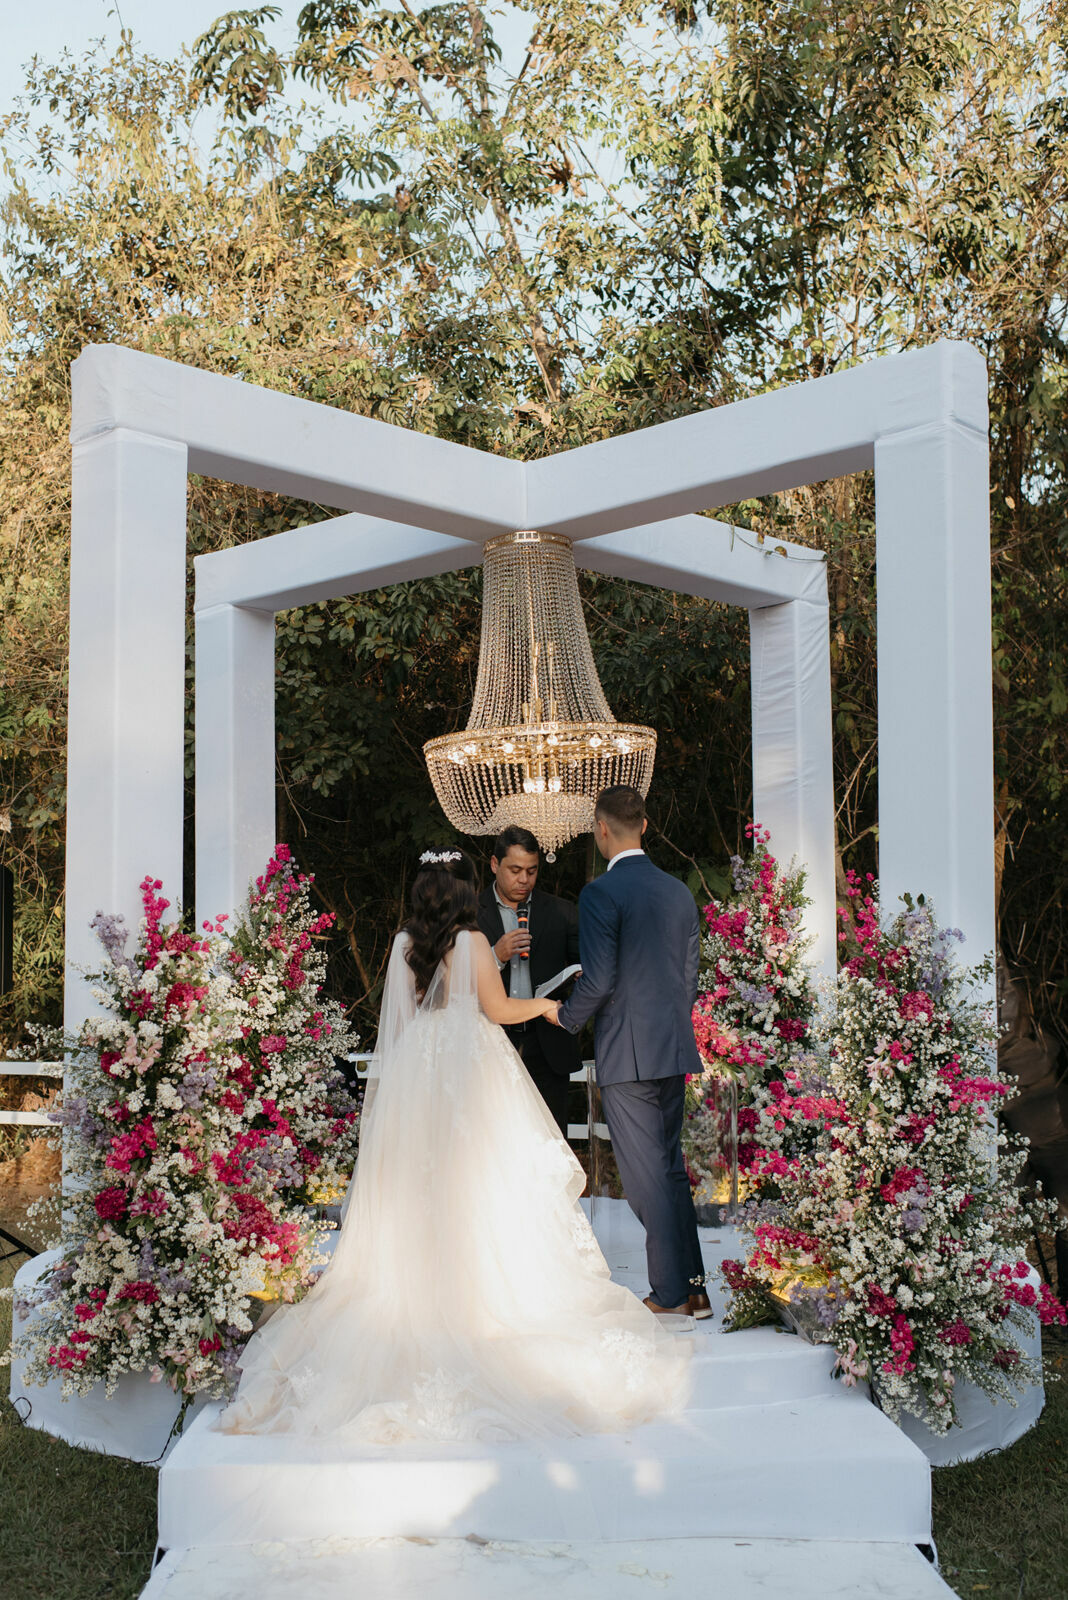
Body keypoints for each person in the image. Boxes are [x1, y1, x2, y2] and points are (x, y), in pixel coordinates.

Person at [217, 847, 690, 1444]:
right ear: (466, 893)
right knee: (489, 1180)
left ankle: (419, 1289)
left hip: (419, 1074)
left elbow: (401, 1022)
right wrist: (546, 1003)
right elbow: (497, 1009)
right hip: (470, 1069)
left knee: (425, 1183)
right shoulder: (470, 942)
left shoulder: (400, 945)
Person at [552, 786, 711, 1319]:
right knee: (668, 1172)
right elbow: (688, 979)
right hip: (672, 1044)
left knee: (647, 1182)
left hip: (628, 1052)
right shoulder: (677, 892)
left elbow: (597, 981)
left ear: (601, 829)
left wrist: (565, 1016)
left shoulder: (600, 893)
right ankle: (693, 1288)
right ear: (643, 825)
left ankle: (669, 1294)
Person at [477, 824, 582, 1138]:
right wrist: (495, 955)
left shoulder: (562, 912)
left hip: (548, 1043)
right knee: (494, 1140)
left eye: (532, 871)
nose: (524, 879)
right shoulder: (470, 913)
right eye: (515, 870)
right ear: (495, 865)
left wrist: (568, 1007)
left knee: (552, 1142)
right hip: (489, 1043)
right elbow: (455, 982)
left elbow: (584, 972)